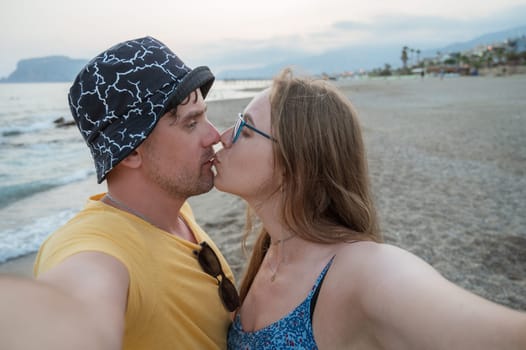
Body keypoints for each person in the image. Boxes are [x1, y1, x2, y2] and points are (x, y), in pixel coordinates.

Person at [213, 68, 526, 349]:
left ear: (297, 165)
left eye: (246, 129)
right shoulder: (270, 247)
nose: (225, 136)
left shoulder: (361, 271)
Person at [0, 36, 239, 350]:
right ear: (130, 153)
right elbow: (79, 301)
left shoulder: (174, 212)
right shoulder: (97, 247)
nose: (213, 135)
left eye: (204, 115)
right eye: (191, 123)